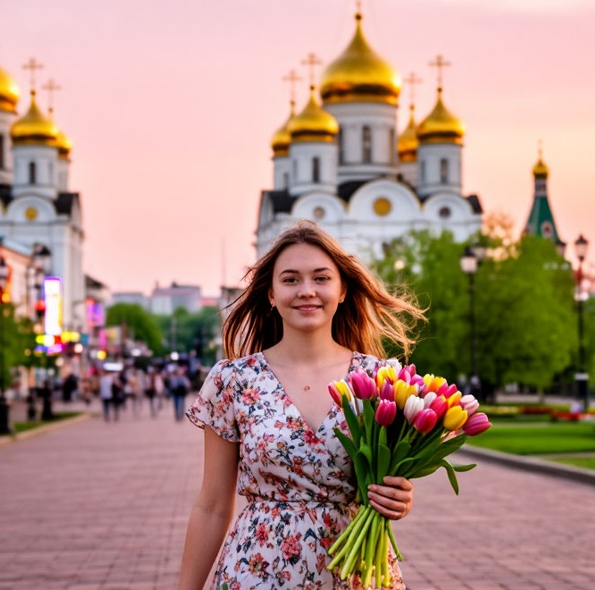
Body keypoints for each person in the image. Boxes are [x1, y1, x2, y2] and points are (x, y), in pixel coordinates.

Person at [178, 220, 424, 590]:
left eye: (321, 278)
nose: (307, 290)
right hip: (258, 571)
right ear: (271, 294)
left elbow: (389, 477)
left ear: (342, 290)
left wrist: (398, 496)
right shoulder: (234, 380)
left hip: (357, 571)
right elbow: (211, 506)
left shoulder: (381, 381)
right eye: (291, 279)